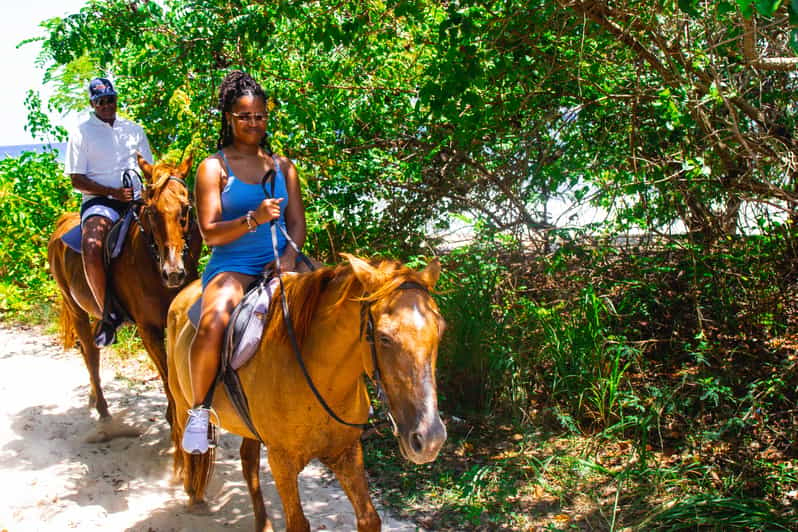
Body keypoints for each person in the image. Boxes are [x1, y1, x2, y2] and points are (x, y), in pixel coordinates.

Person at [182, 70, 308, 454]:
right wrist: (254, 217)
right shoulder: (213, 168)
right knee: (214, 321)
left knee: (343, 299)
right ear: (229, 118)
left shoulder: (284, 166)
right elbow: (210, 232)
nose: (253, 123)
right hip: (234, 265)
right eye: (244, 116)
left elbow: (298, 223)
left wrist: (288, 257)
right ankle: (199, 413)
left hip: (281, 260)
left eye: (259, 115)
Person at [65, 77, 153, 347]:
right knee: (92, 246)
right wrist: (112, 192)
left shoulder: (134, 129)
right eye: (100, 101)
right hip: (101, 202)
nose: (107, 105)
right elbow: (76, 179)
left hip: (136, 198)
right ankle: (107, 315)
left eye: (110, 100)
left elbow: (149, 167)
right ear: (92, 103)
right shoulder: (81, 133)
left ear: (116, 99)